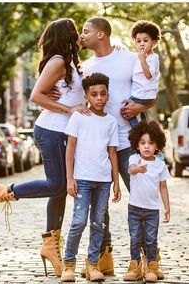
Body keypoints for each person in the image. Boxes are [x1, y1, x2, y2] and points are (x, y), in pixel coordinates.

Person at [0, 18, 90, 277]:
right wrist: (69, 108)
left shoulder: (69, 62)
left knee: (59, 192)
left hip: (63, 131)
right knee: (58, 185)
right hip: (51, 130)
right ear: (67, 35)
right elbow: (36, 96)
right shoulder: (59, 59)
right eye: (77, 31)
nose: (81, 35)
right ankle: (1, 192)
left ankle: (50, 246)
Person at [79, 17, 160, 277]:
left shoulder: (129, 57)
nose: (82, 35)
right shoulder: (85, 66)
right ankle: (104, 258)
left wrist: (140, 106)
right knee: (98, 207)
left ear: (101, 34)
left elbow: (150, 90)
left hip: (128, 142)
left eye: (86, 31)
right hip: (98, 147)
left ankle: (150, 260)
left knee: (143, 201)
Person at [61, 73, 121, 282]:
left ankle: (92, 264)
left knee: (98, 223)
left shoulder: (112, 122)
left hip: (104, 181)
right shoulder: (79, 117)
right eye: (94, 94)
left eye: (103, 94)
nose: (99, 98)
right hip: (82, 179)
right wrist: (70, 178)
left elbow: (112, 152)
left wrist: (116, 183)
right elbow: (70, 148)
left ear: (108, 95)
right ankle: (68, 264)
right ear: (86, 95)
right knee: (78, 221)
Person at [123, 120, 170, 282]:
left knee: (151, 239)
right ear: (137, 145)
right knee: (135, 238)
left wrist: (167, 208)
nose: (147, 146)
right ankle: (135, 267)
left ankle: (151, 267)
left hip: (152, 210)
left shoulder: (160, 165)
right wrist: (138, 168)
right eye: (142, 143)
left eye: (151, 143)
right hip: (134, 208)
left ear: (157, 146)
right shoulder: (134, 159)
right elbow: (131, 170)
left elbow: (163, 187)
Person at [128, 20, 161, 127]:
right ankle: (142, 123)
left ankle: (137, 127)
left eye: (145, 40)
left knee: (126, 109)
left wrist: (142, 60)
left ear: (154, 42)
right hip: (141, 93)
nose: (142, 43)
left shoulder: (153, 58)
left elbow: (148, 75)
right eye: (138, 41)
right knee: (135, 110)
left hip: (144, 94)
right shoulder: (139, 55)